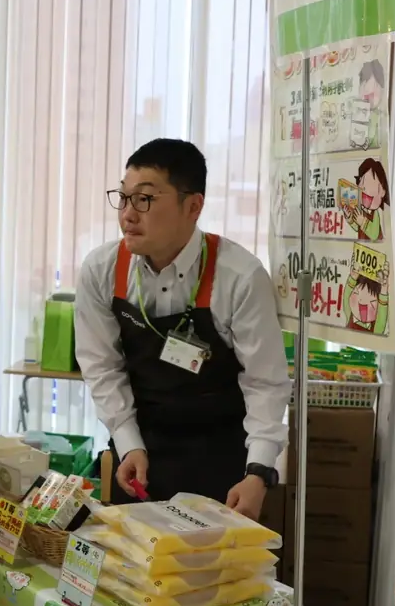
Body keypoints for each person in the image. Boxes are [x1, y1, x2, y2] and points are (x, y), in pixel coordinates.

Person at [75, 138, 291, 519]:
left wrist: (258, 471)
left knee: (212, 572)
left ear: (193, 206)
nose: (127, 214)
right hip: (140, 453)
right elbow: (102, 367)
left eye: (144, 199)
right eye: (122, 198)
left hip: (221, 457)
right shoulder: (102, 270)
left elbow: (265, 382)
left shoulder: (239, 277)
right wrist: (128, 444)